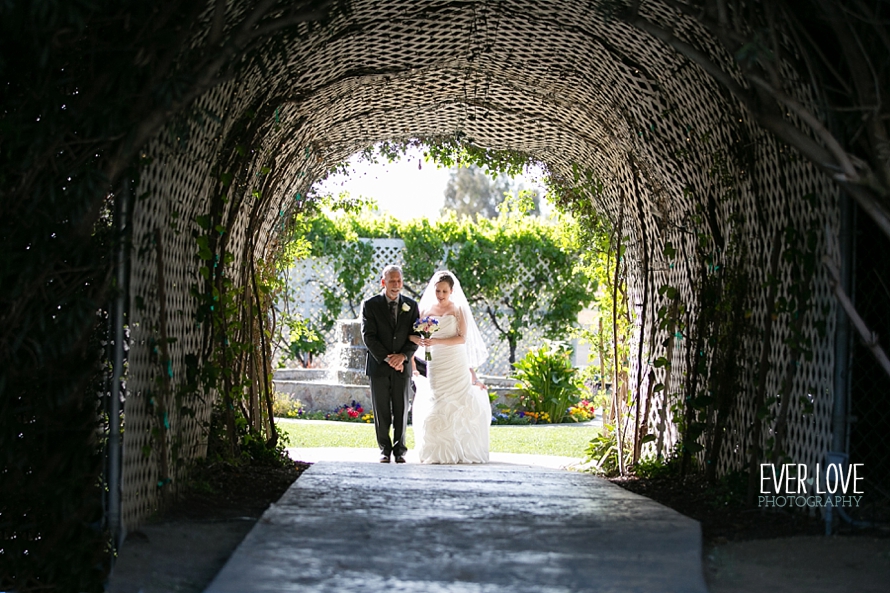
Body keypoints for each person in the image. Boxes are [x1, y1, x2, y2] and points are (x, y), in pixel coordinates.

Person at [409, 270, 490, 464]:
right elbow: (413, 335)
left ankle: (460, 449)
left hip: (455, 360)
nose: (440, 295)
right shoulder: (426, 310)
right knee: (438, 399)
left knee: (458, 401)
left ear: (451, 291)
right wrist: (421, 340)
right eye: (438, 291)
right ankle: (439, 450)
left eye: (444, 291)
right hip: (436, 361)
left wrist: (435, 341)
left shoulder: (458, 309)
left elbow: (462, 338)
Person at [360, 265, 419, 463]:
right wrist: (388, 358)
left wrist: (402, 357)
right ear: (383, 282)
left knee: (402, 410)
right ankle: (384, 450)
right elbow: (368, 337)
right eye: (392, 281)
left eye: (399, 281)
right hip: (379, 366)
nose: (396, 285)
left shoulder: (411, 306)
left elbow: (416, 336)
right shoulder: (370, 305)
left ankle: (400, 450)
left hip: (402, 366)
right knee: (381, 410)